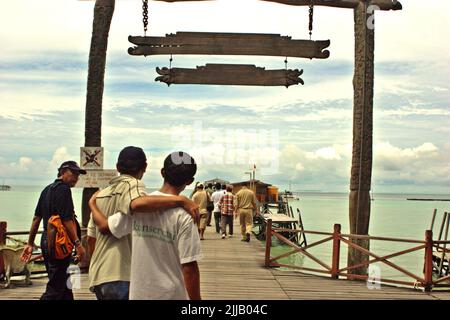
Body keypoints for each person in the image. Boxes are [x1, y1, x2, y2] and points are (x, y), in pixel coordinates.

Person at [87, 146, 199, 300]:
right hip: (171, 294)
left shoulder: (139, 205)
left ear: (162, 172)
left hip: (136, 291)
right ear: (190, 181)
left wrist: (92, 205)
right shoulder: (187, 213)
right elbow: (189, 266)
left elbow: (106, 227)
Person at [21, 161, 87, 300]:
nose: (76, 177)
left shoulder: (46, 189)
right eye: (73, 173)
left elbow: (36, 219)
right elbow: (67, 220)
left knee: (63, 285)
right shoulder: (64, 189)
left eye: (78, 174)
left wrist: (30, 243)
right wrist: (78, 244)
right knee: (56, 288)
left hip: (46, 240)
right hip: (59, 243)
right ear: (63, 172)